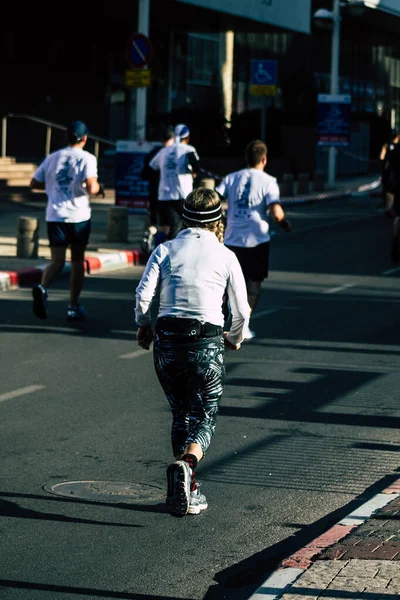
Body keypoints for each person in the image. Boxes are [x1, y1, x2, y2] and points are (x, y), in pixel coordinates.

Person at [134, 187, 251, 517]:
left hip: (168, 340)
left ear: (184, 218)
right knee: (204, 415)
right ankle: (186, 466)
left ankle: (188, 485)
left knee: (180, 413)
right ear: (219, 221)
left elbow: (144, 296)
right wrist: (235, 338)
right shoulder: (226, 256)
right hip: (206, 342)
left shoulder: (166, 249)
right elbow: (242, 311)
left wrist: (144, 325)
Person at [216, 139, 292, 339]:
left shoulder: (231, 177)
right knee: (253, 285)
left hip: (231, 239)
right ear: (264, 159)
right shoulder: (268, 181)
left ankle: (217, 319)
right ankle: (242, 325)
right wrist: (285, 224)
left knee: (228, 283)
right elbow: (276, 212)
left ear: (246, 159)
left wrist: (222, 220)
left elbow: (214, 198)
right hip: (257, 239)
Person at [29, 120, 103, 321]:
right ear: (85, 138)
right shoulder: (87, 158)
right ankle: (72, 306)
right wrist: (99, 190)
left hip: (55, 216)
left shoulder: (53, 157)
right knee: (77, 261)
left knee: (57, 261)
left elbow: (34, 183)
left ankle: (43, 288)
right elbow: (92, 187)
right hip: (78, 217)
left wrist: (52, 188)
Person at [148, 123, 200, 242]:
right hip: (183, 194)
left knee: (164, 227)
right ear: (187, 138)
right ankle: (177, 253)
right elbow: (196, 164)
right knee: (184, 227)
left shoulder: (164, 151)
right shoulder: (189, 149)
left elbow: (151, 168)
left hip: (164, 195)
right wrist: (194, 172)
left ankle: (158, 251)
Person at [140, 125, 175, 252]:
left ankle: (151, 231)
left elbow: (144, 174)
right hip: (170, 194)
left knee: (156, 221)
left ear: (161, 139)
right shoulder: (175, 153)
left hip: (154, 193)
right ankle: (161, 249)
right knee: (168, 225)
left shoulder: (153, 153)